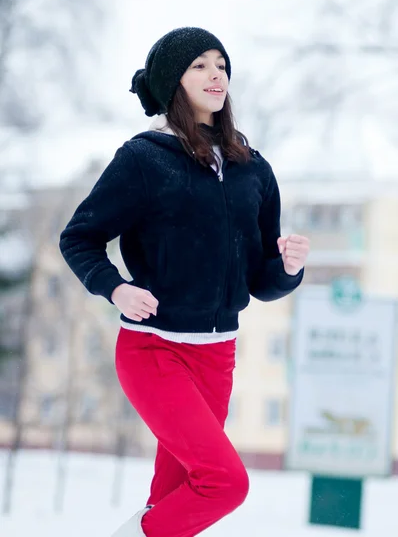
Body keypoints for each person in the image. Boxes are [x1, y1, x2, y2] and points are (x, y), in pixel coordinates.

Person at [59, 27, 310, 537]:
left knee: (175, 498)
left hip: (218, 355)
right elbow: (79, 237)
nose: (215, 74)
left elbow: (261, 280)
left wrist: (288, 268)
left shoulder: (252, 169)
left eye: (220, 64)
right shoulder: (145, 158)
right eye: (199, 65)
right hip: (154, 350)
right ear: (175, 80)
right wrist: (116, 287)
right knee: (225, 483)